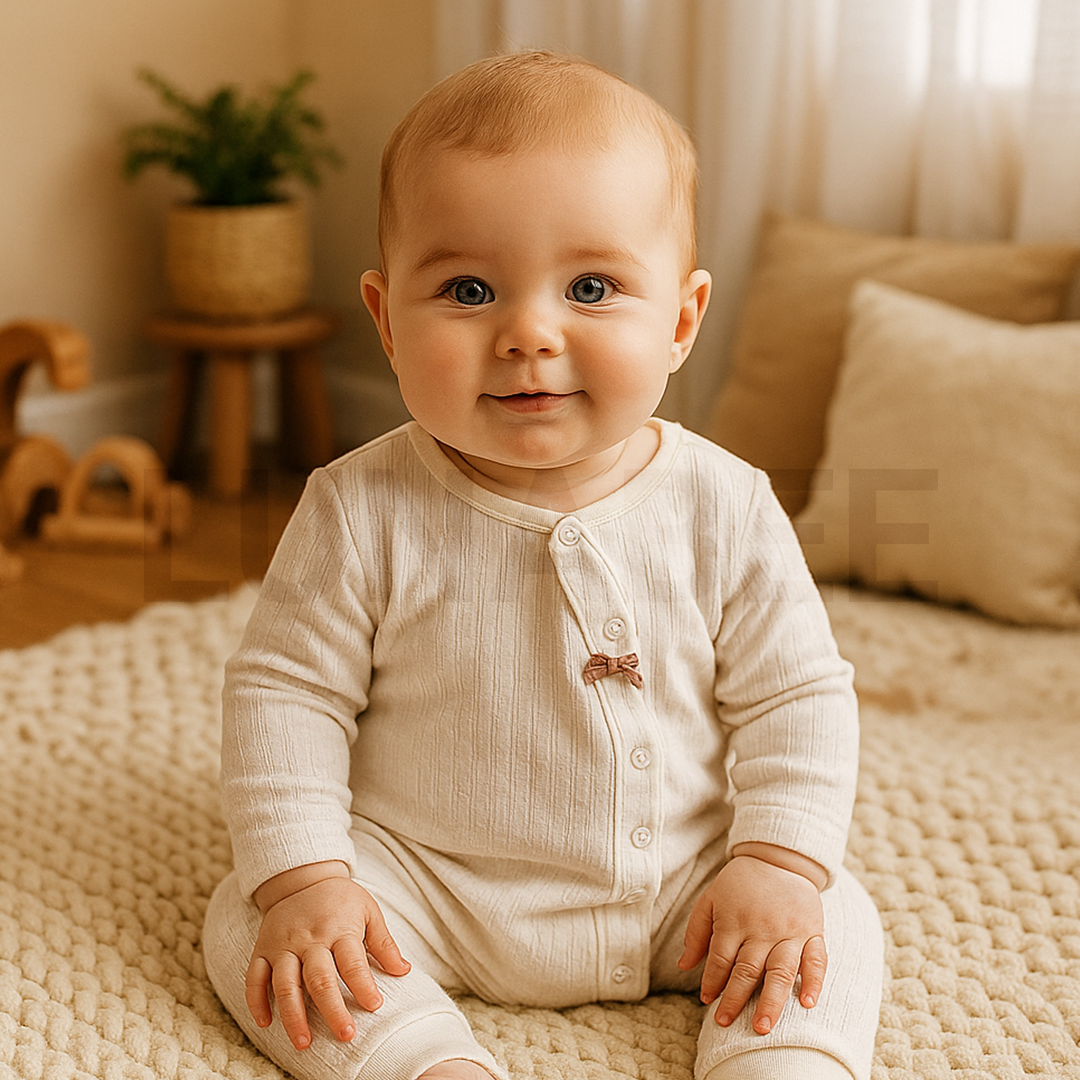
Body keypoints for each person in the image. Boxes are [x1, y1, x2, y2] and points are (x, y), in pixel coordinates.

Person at [202, 50, 883, 1080]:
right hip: (430, 888)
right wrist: (306, 881)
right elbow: (285, 695)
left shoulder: (726, 504)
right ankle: (424, 1060)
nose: (529, 332)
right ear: (388, 321)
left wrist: (776, 860)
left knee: (828, 908)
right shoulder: (357, 508)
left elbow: (798, 695)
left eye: (593, 287)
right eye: (469, 289)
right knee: (255, 920)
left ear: (681, 322)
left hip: (683, 890)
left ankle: (776, 1059)